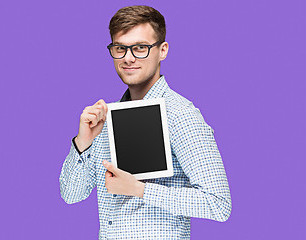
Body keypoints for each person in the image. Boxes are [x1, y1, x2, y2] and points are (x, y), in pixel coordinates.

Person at [59, 5, 232, 239]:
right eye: (120, 48)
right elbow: (71, 195)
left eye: (140, 48)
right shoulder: (105, 119)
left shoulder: (180, 114)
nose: (128, 58)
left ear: (163, 50)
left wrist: (140, 190)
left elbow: (218, 204)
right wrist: (83, 142)